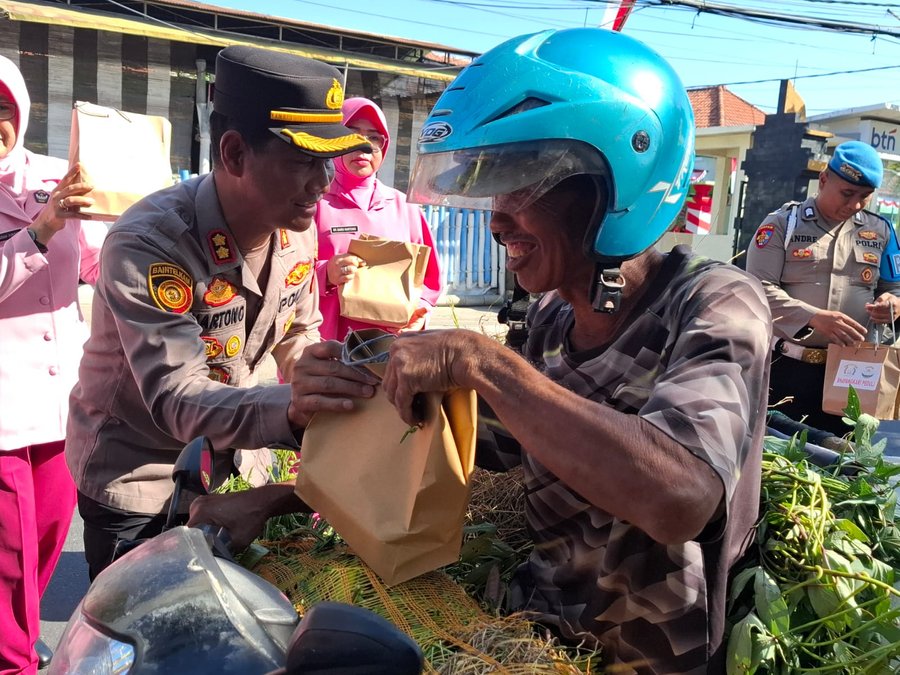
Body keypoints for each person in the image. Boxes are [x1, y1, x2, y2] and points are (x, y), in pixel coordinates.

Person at [190, 28, 770, 673]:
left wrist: (484, 362)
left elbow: (681, 499)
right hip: (533, 637)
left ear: (615, 182)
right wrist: (282, 493)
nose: (496, 220)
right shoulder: (551, 318)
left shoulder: (715, 302)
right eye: (493, 191)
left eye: (524, 187)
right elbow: (460, 445)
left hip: (649, 657)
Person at [65, 45, 380, 581]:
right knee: (147, 642)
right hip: (144, 476)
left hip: (237, 473)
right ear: (234, 154)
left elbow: (297, 333)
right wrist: (296, 410)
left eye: (327, 162)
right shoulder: (151, 243)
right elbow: (176, 396)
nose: (323, 182)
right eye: (304, 160)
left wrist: (332, 376)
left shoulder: (292, 230)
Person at [0, 56, 105, 674]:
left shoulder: (56, 177)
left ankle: (15, 641)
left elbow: (94, 265)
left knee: (42, 545)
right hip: (3, 412)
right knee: (9, 555)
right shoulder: (46, 207)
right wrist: (38, 232)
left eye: (4, 110)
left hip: (63, 404)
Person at [746, 140, 900, 435]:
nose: (854, 204)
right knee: (785, 457)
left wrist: (892, 303)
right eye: (847, 193)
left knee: (847, 461)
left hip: (854, 374)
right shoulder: (782, 225)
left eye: (865, 196)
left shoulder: (881, 231)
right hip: (788, 367)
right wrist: (812, 317)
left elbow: (895, 286)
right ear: (824, 180)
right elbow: (756, 288)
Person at [315, 97, 442, 341]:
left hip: (387, 354)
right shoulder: (313, 203)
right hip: (324, 350)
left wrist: (420, 314)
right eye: (352, 134)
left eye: (374, 137)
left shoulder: (404, 207)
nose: (364, 146)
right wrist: (326, 273)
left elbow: (430, 280)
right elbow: (282, 275)